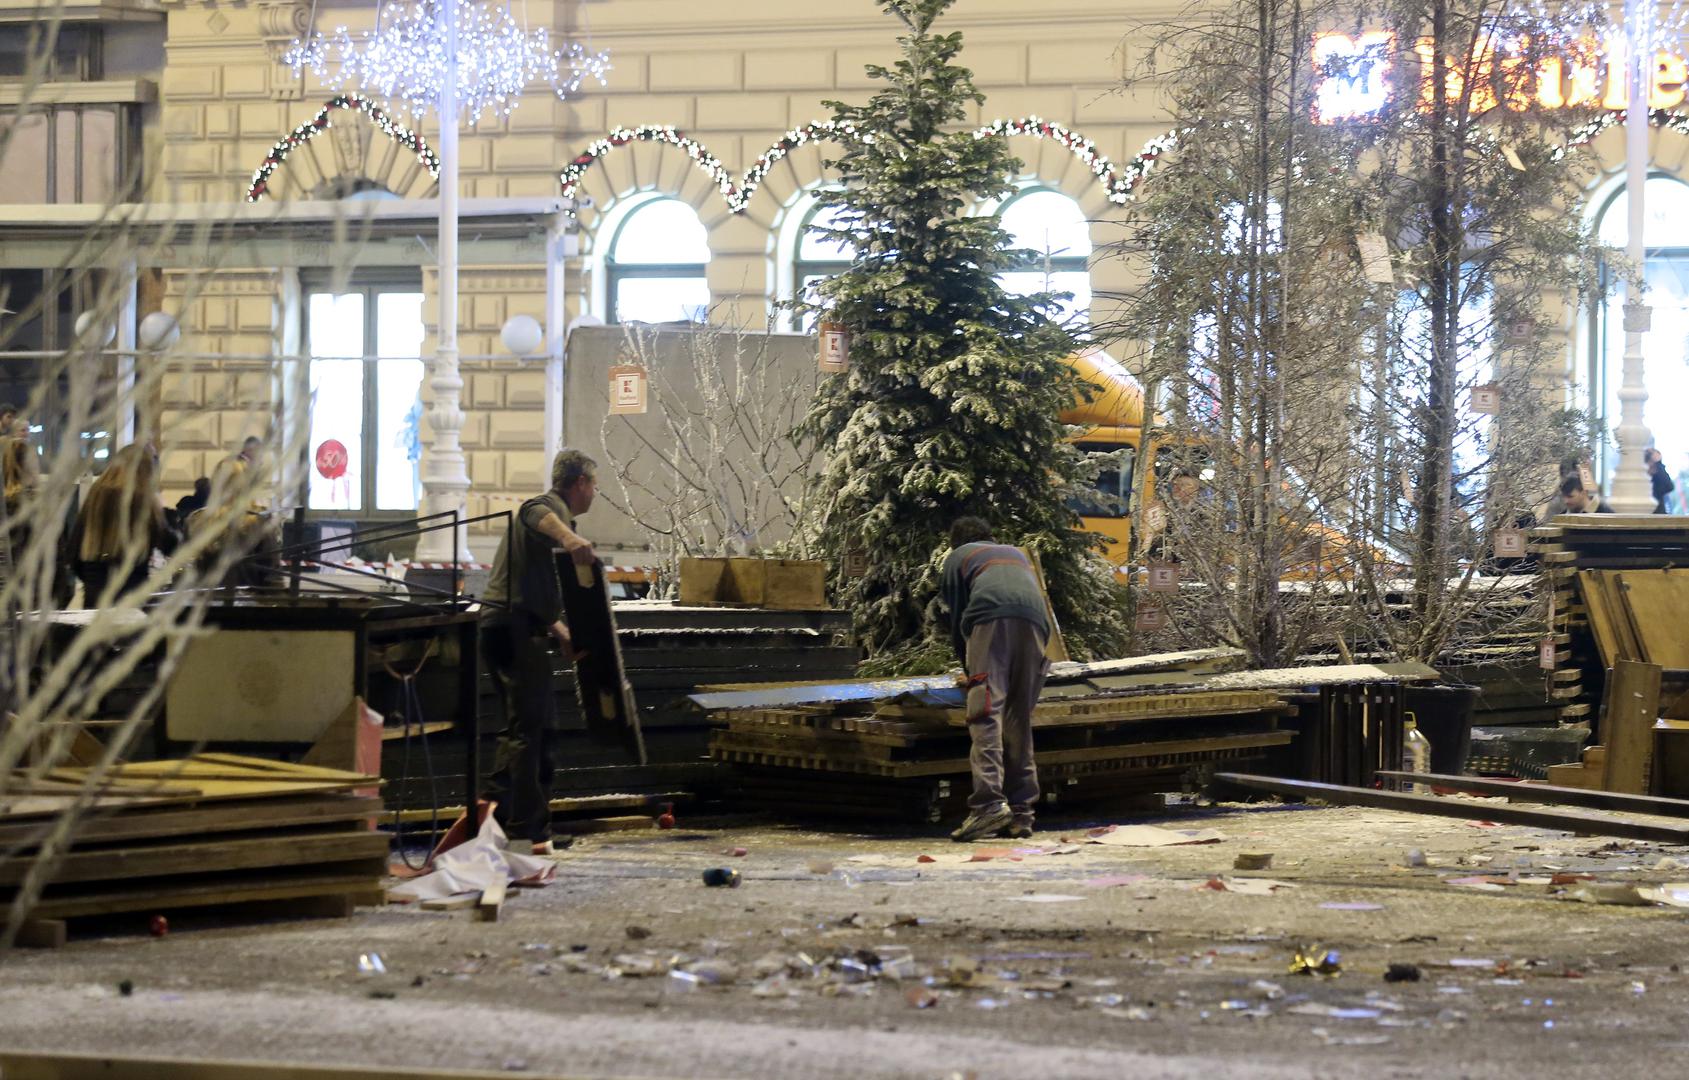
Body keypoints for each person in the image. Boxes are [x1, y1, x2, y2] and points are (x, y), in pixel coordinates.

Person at [480, 448, 599, 856]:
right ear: (580, 482)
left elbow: (533, 588)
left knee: (533, 729)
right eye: (594, 485)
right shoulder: (550, 508)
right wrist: (570, 538)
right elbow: (530, 510)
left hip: (514, 625)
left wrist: (560, 629)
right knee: (529, 734)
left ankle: (493, 820)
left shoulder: (557, 521)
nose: (594, 494)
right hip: (511, 629)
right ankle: (526, 833)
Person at [939, 516, 1051, 843]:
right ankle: (1021, 814)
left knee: (985, 713)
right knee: (1018, 717)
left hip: (990, 619)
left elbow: (959, 619)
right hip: (1036, 625)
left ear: (954, 543)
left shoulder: (958, 558)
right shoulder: (1016, 554)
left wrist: (971, 674)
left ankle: (988, 805)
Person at [67, 444, 176, 604]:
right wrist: (163, 511)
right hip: (132, 595)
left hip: (95, 595)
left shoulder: (96, 494)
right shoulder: (143, 500)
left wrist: (94, 579)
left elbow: (73, 551)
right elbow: (171, 545)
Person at [1646, 448, 1675, 514]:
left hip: (1658, 516)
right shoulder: (1637, 479)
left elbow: (1669, 487)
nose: (1650, 466)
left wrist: (1658, 463)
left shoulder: (1657, 479)